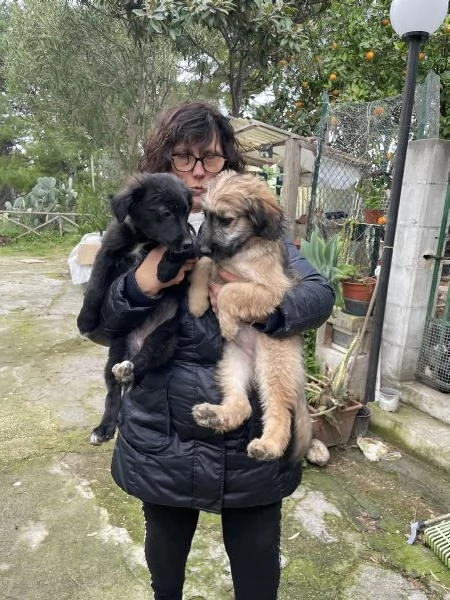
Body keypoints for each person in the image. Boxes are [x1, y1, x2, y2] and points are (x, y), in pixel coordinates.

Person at [83, 100, 335, 600]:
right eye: (184, 157)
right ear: (165, 160)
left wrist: (266, 310)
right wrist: (138, 285)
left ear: (227, 162)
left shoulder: (253, 228)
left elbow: (318, 293)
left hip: (244, 454)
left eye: (212, 158)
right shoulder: (143, 226)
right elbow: (95, 326)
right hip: (162, 439)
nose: (199, 171)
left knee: (258, 570)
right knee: (166, 567)